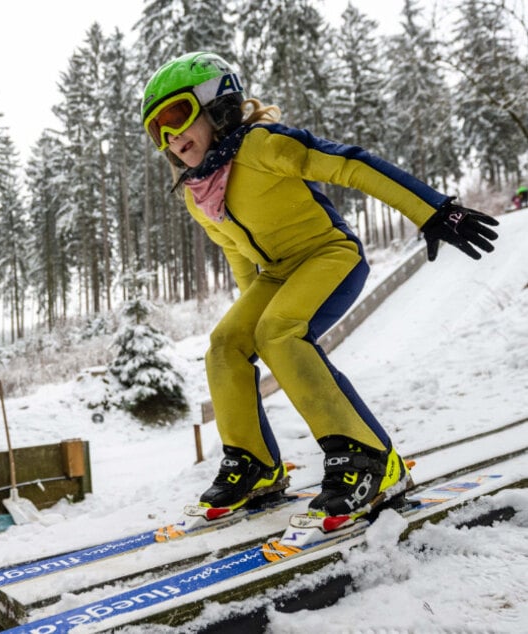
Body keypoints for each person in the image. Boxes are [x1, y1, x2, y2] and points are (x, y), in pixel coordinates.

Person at [140, 52, 499, 522]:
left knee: (279, 332)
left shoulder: (263, 145)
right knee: (225, 344)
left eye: (176, 115)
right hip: (278, 273)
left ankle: (368, 459)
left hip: (330, 255)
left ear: (217, 105)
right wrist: (249, 314)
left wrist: (432, 210)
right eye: (157, 130)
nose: (170, 135)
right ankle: (254, 464)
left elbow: (352, 164)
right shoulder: (198, 194)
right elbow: (238, 254)